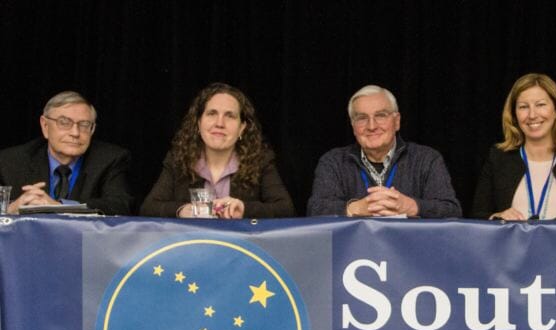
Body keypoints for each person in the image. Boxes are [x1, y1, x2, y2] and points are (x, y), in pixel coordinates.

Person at [140, 83, 295, 218]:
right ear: (199, 123)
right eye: (212, 113)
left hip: (241, 248)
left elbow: (285, 209)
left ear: (242, 128)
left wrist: (244, 209)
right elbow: (149, 207)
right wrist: (182, 210)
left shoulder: (261, 160)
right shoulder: (178, 159)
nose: (219, 123)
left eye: (230, 116)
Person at [470, 73, 556, 221]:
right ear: (514, 115)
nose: (532, 115)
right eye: (523, 107)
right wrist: (497, 216)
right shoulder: (498, 159)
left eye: (541, 105)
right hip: (512, 244)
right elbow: (477, 216)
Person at [307, 85, 461, 218]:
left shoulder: (427, 159)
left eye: (380, 116)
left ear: (397, 121)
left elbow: (451, 210)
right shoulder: (333, 161)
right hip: (354, 250)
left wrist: (412, 206)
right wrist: (355, 208)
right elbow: (315, 209)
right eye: (362, 118)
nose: (372, 126)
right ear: (353, 126)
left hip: (410, 248)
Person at [0, 91, 132, 215]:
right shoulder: (11, 161)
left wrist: (59, 207)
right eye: (64, 123)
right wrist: (9, 209)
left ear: (92, 130)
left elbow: (120, 206)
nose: (75, 133)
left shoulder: (109, 159)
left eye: (84, 125)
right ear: (45, 126)